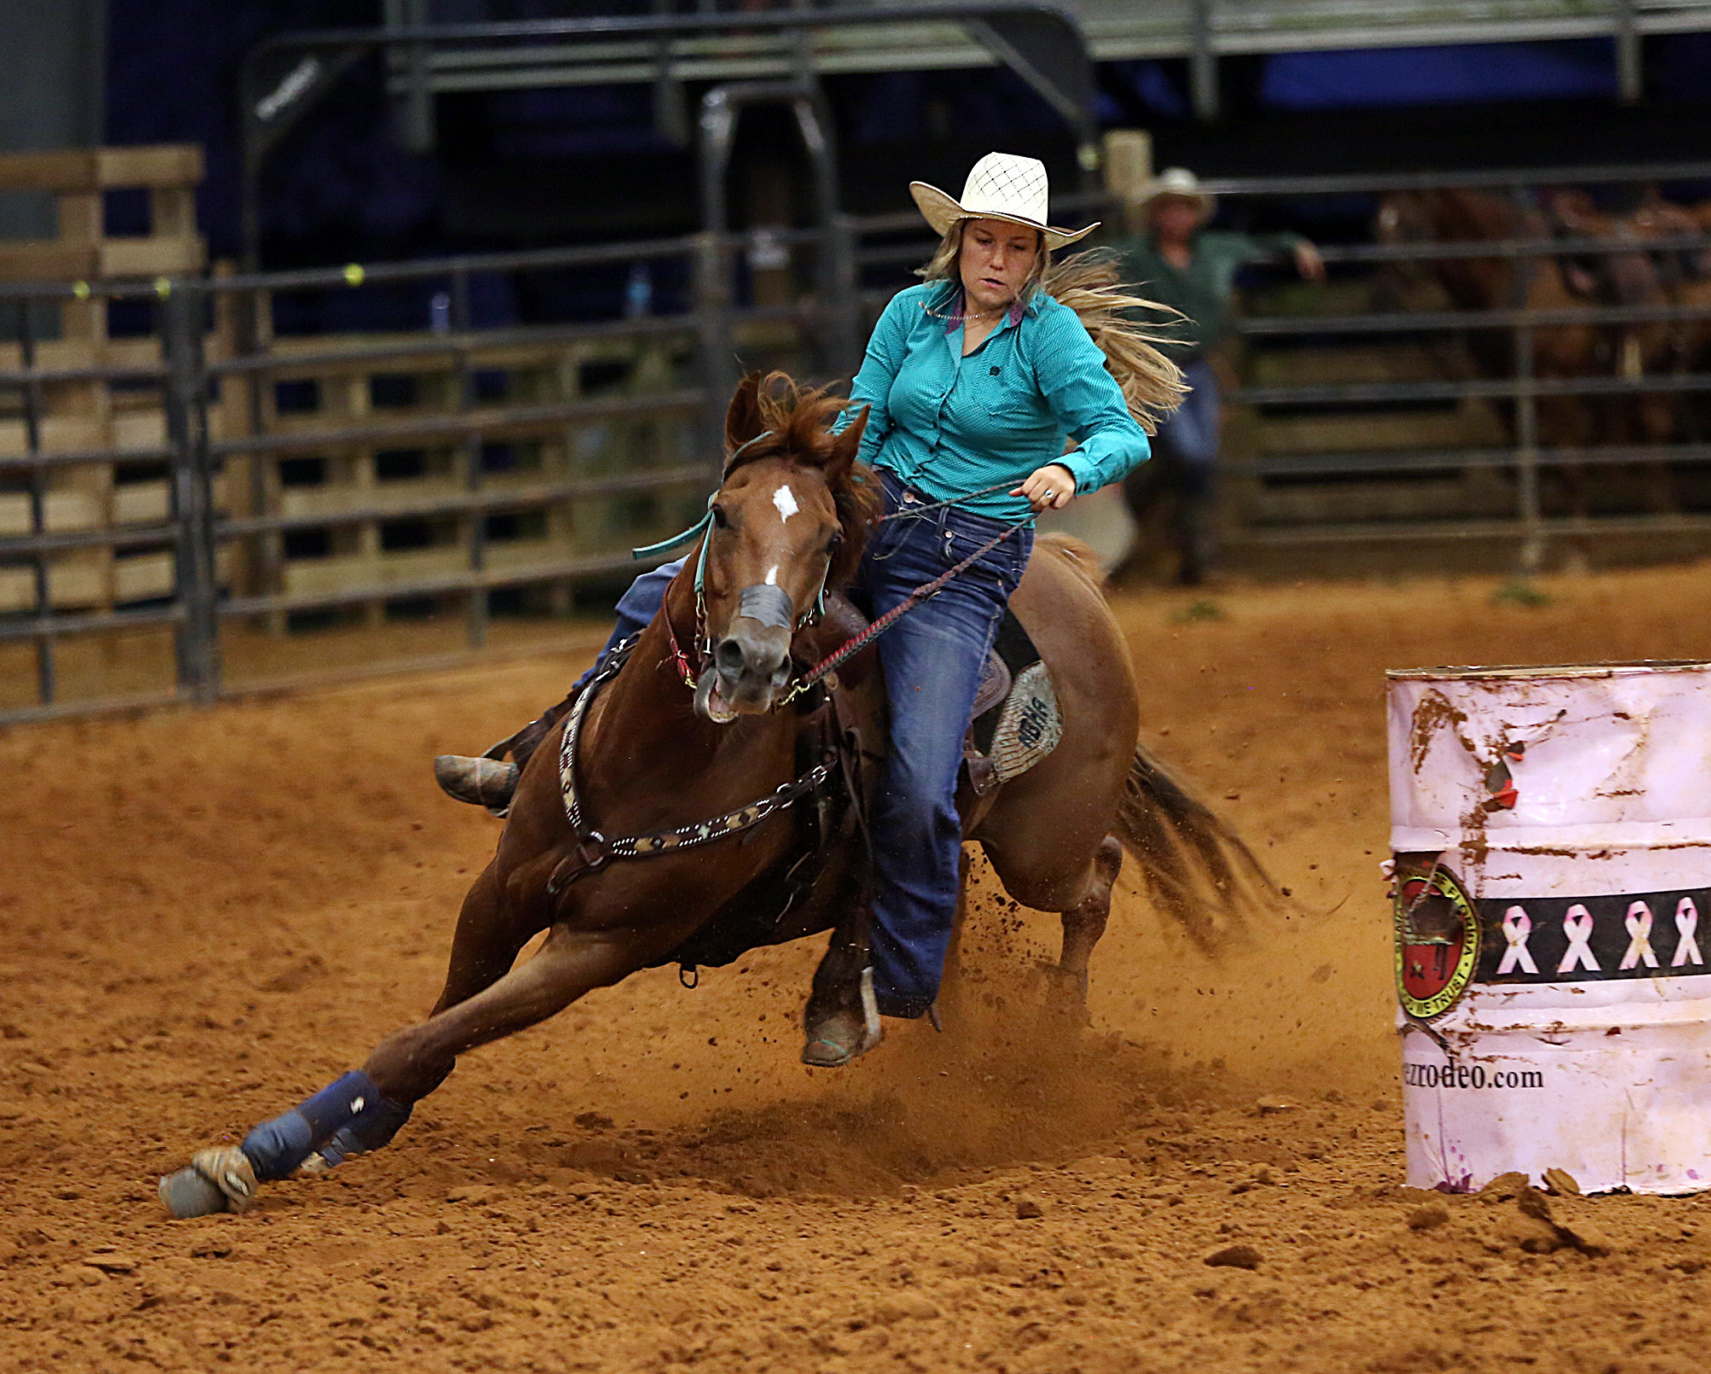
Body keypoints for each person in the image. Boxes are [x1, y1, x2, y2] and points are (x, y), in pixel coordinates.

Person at [435, 152, 1176, 1066]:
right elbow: (863, 418)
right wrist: (810, 484)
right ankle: (532, 757)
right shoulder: (910, 315)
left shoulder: (1052, 340)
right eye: (982, 239)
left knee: (920, 766)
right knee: (656, 600)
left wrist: (1072, 466)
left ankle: (888, 972)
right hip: (872, 523)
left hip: (959, 565)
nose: (996, 258)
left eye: (1016, 246)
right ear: (958, 242)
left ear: (1034, 259)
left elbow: (1118, 431)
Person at [1113, 167, 1324, 584]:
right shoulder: (1133, 256)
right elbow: (1092, 261)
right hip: (1157, 371)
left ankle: (1181, 548)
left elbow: (1262, 245)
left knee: (1198, 456)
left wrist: (1294, 244)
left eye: (1184, 208)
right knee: (1193, 454)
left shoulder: (1215, 250)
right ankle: (1184, 547)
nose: (1177, 216)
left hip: (1200, 368)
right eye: (1169, 207)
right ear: (1156, 213)